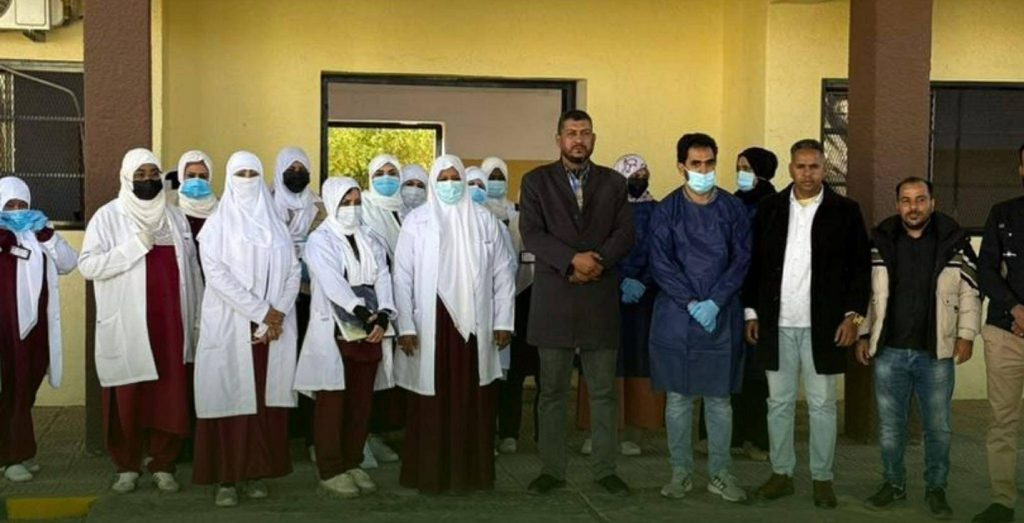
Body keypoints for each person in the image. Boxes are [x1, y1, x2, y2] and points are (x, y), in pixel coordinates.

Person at [744, 139, 870, 508]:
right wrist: (751, 312)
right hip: (776, 324)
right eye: (801, 166)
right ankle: (781, 473)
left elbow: (860, 269)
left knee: (822, 405)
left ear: (824, 169)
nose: (808, 174)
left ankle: (822, 478)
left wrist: (853, 316)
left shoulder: (845, 211)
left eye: (814, 166)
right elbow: (755, 264)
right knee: (779, 404)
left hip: (825, 326)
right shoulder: (770, 208)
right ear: (790, 168)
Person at [520, 110, 635, 496]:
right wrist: (572, 260)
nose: (578, 140)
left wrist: (595, 262)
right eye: (571, 133)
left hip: (599, 298)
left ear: (594, 139)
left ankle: (605, 470)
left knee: (603, 393)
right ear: (559, 139)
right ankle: (552, 470)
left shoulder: (614, 183)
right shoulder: (536, 181)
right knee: (552, 392)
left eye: (585, 133)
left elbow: (625, 233)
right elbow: (532, 234)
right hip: (554, 301)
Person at [78, 148, 204, 494]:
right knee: (128, 396)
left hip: (171, 324)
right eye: (140, 174)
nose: (148, 180)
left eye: (153, 173)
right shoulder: (108, 217)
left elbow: (192, 272)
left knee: (168, 394)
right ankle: (127, 466)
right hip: (129, 324)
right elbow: (88, 265)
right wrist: (134, 247)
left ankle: (163, 464)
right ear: (126, 177)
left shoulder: (174, 217)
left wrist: (197, 318)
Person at [854, 177, 979, 519]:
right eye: (906, 200)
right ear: (898, 205)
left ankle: (936, 488)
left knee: (938, 428)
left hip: (935, 353)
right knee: (890, 428)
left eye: (920, 199)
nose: (913, 207)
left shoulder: (954, 241)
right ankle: (893, 483)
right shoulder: (880, 241)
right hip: (889, 352)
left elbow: (970, 290)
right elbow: (867, 292)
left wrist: (966, 335)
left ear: (932, 203)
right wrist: (863, 334)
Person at [392, 154, 516, 493]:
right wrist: (406, 326)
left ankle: (470, 475)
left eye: (454, 178)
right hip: (431, 323)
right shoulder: (417, 221)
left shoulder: (484, 219)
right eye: (443, 178)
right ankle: (430, 475)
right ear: (434, 183)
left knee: (471, 396)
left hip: (476, 325)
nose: (449, 184)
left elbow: (503, 274)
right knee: (432, 399)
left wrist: (503, 320)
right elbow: (402, 276)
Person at [191, 151, 301, 507]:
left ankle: (256, 471)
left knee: (263, 404)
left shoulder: (277, 226)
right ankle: (227, 478)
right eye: (241, 174)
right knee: (229, 400)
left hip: (272, 330)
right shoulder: (216, 227)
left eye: (254, 174)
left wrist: (278, 312)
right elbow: (217, 277)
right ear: (229, 178)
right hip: (232, 326)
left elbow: (293, 271)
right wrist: (262, 312)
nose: (248, 181)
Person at [647, 135, 750, 502]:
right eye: (696, 164)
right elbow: (661, 262)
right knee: (678, 399)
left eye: (709, 163)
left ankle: (720, 474)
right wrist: (691, 302)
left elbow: (741, 259)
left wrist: (715, 301)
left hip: (720, 315)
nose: (703, 170)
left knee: (719, 399)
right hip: (677, 315)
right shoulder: (666, 211)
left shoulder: (732, 209)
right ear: (681, 167)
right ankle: (681, 473)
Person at [294, 177, 396, 498]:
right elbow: (331, 280)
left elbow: (382, 275)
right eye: (345, 203)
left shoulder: (370, 237)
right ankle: (330, 469)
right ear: (331, 204)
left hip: (370, 328)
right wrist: (361, 312)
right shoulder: (319, 240)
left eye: (356, 202)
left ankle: (353, 461)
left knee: (361, 400)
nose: (352, 209)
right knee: (333, 401)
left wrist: (384, 313)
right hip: (336, 330)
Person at [576, 153, 664, 458]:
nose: (639, 180)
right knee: (603, 362)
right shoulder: (603, 211)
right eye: (632, 176)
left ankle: (634, 432)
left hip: (644, 302)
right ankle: (597, 432)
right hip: (606, 295)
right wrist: (620, 279)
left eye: (643, 174)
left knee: (639, 362)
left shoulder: (659, 211)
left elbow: (663, 252)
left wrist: (644, 281)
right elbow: (596, 250)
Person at [698, 146, 779, 461]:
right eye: (738, 167)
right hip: (726, 297)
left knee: (756, 374)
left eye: (747, 168)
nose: (741, 174)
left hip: (759, 299)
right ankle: (719, 437)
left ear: (762, 171)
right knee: (721, 367)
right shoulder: (728, 203)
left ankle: (755, 439)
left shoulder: (774, 206)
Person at [0, 177, 77, 482]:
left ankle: (15, 451)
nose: (18, 211)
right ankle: (12, 457)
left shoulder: (37, 235)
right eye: (10, 205)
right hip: (6, 329)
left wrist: (47, 236)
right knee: (11, 389)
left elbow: (69, 263)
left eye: (23, 205)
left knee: (26, 388)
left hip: (35, 328)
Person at [974, 143, 1024, 523]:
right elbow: (986, 270)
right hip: (1006, 333)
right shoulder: (1002, 213)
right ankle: (1002, 501)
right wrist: (1016, 308)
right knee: (1003, 421)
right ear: (1021, 169)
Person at [480, 156, 539, 455]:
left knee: (538, 374)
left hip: (536, 305)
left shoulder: (518, 214)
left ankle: (536, 434)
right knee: (505, 376)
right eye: (489, 177)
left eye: (498, 176)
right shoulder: (484, 218)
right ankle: (502, 431)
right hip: (505, 304)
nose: (494, 183)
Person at [271, 146, 325, 461]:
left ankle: (311, 437)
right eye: (290, 169)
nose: (296, 174)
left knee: (308, 363)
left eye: (301, 169)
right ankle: (278, 439)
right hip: (274, 298)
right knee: (278, 367)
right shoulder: (265, 203)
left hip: (309, 296)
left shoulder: (319, 206)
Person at [361, 153, 405, 467]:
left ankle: (375, 434)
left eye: (392, 172)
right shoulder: (363, 207)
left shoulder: (405, 211)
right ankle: (361, 438)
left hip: (401, 300)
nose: (387, 178)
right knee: (368, 370)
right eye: (380, 173)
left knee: (388, 373)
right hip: (371, 302)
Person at [176, 150, 218, 244]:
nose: (197, 180)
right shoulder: (173, 206)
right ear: (181, 176)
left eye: (202, 176)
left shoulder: (219, 210)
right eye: (191, 176)